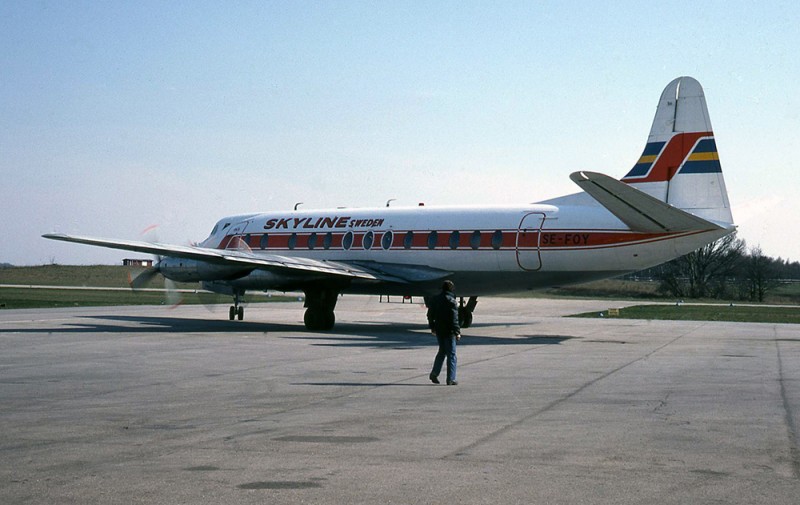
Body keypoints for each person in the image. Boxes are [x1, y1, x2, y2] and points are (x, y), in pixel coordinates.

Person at [427, 280, 461, 385]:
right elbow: (454, 319)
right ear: (451, 289)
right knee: (452, 354)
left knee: (442, 352)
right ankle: (451, 378)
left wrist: (432, 327)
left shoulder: (435, 299)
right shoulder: (452, 301)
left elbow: (430, 315)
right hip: (449, 331)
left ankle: (435, 373)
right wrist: (457, 332)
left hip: (439, 330)